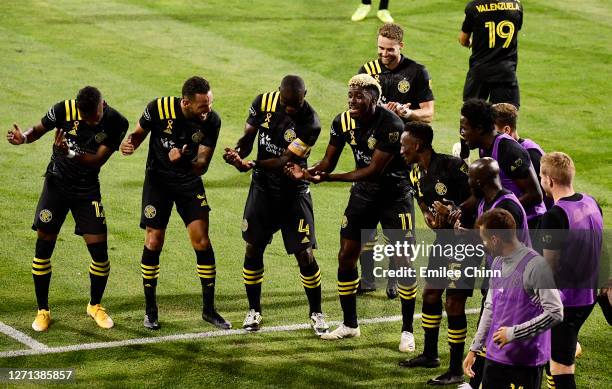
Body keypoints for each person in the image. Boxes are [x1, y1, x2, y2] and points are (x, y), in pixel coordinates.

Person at [285, 74, 414, 341]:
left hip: (395, 196)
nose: (352, 101)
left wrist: (329, 179)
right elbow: (328, 162)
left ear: (374, 99)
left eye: (359, 96)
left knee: (402, 261)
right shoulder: (342, 121)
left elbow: (373, 170)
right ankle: (350, 325)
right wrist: (308, 172)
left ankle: (407, 330)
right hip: (363, 196)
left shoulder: (391, 124)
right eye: (350, 96)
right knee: (345, 256)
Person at [6, 86, 128, 331]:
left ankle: (95, 305)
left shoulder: (116, 122)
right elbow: (38, 129)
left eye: (96, 116)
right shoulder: (63, 109)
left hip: (86, 189)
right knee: (43, 247)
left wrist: (70, 152)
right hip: (57, 185)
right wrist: (24, 138)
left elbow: (96, 161)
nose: (93, 121)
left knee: (100, 254)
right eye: (88, 119)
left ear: (102, 105)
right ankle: (43, 310)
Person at [120, 76, 230, 331]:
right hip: (158, 182)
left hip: (188, 182)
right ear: (186, 103)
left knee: (202, 240)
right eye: (203, 106)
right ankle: (150, 310)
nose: (208, 111)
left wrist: (180, 161)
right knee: (154, 240)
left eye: (210, 104)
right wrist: (130, 144)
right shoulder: (158, 109)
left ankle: (209, 310)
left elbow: (201, 166)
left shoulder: (211, 121)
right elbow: (137, 134)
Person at [222, 75, 329, 336]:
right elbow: (248, 137)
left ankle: (316, 312)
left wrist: (253, 164)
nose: (290, 108)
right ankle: (254, 310)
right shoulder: (263, 102)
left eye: (296, 103)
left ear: (305, 95)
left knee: (304, 254)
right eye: (286, 103)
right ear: (279, 93)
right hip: (263, 190)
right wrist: (238, 153)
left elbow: (284, 160)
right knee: (253, 248)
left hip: (294, 192)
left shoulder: (311, 123)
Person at [357, 22, 435, 297]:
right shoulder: (366, 72)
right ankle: (367, 278)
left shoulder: (416, 72)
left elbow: (428, 113)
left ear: (401, 46)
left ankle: (393, 278)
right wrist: (375, 109)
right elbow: (355, 108)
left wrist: (406, 112)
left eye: (390, 49)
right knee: (366, 225)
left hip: (403, 162)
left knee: (398, 227)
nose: (384, 54)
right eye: (380, 48)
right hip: (371, 154)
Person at [398, 122, 474, 385]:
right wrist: (429, 216)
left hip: (467, 242)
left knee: (454, 302)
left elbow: (478, 195)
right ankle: (430, 354)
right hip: (443, 242)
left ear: (417, 145)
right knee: (430, 293)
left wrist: (454, 209)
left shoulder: (452, 166)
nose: (401, 150)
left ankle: (455, 369)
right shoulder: (414, 173)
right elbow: (422, 201)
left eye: (404, 144)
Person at [453, 157, 531, 389]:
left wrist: (464, 234)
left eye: (470, 177)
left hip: (514, 281)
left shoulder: (507, 206)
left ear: (480, 181)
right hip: (498, 274)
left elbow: (502, 243)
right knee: (489, 328)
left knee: (499, 335)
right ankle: (477, 382)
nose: (468, 181)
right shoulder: (485, 200)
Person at [463, 208, 562, 389]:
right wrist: (475, 348)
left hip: (524, 363)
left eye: (484, 240)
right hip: (495, 358)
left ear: (495, 240)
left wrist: (513, 333)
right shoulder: (498, 263)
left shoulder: (536, 267)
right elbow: (490, 307)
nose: (483, 245)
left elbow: (555, 312)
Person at [537, 152, 603, 389]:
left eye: (541, 176)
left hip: (568, 303)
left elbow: (550, 269)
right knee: (562, 356)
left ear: (549, 181)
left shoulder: (554, 216)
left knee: (559, 369)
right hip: (589, 295)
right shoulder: (591, 202)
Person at [455, 0, 523, 159]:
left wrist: (473, 43)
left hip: (479, 72)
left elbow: (463, 39)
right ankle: (511, 160)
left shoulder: (474, 7)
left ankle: (463, 155)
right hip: (506, 72)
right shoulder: (516, 6)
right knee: (506, 121)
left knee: (469, 114)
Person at [460, 99, 545, 224]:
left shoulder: (509, 151)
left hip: (528, 224)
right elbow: (483, 192)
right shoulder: (484, 148)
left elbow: (535, 195)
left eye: (464, 129)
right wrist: (457, 209)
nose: (462, 134)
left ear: (479, 129)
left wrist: (497, 214)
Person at [492, 102, 552, 213]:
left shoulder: (532, 154)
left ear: (506, 130)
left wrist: (503, 210)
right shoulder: (500, 150)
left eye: (492, 130)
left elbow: (544, 196)